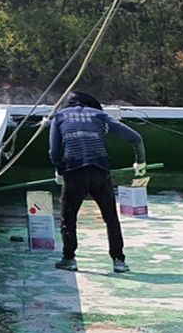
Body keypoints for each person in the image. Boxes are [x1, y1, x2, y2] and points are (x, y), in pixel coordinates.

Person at [48, 91, 147, 274]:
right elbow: (136, 137)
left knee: (69, 218)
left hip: (74, 171)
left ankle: (69, 259)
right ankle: (119, 261)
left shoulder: (59, 117)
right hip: (100, 170)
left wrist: (60, 170)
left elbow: (54, 151)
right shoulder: (99, 115)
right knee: (111, 218)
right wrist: (140, 161)